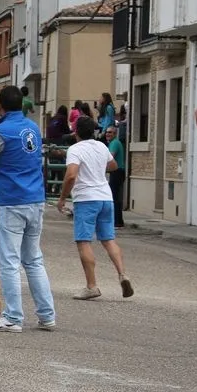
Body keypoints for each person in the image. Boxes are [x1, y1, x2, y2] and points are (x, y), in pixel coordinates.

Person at [0, 85, 56, 333]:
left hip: (11, 201)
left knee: (8, 262)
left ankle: (12, 317)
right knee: (33, 260)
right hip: (36, 199)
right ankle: (46, 315)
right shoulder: (33, 127)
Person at [57, 116, 133, 301]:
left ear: (76, 132)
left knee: (84, 241)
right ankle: (123, 274)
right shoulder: (101, 146)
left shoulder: (75, 149)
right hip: (105, 197)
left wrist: (62, 198)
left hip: (86, 199)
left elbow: (71, 175)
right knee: (108, 239)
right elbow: (113, 165)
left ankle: (91, 286)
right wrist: (97, 166)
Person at [105, 125, 126, 228]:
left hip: (117, 172)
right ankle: (118, 221)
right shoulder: (113, 143)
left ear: (115, 134)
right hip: (117, 172)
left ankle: (117, 222)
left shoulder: (114, 143)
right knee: (115, 196)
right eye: (107, 132)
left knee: (114, 197)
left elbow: (110, 157)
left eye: (110, 132)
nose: (107, 134)